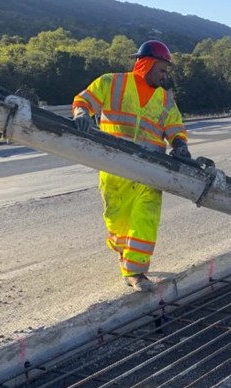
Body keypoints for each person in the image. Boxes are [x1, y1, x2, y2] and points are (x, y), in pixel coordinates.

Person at [71, 40, 191, 291]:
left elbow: (175, 126)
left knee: (145, 218)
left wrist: (179, 144)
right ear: (146, 63)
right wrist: (81, 114)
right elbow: (84, 100)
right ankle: (123, 254)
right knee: (117, 221)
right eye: (162, 68)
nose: (164, 74)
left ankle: (135, 272)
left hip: (150, 170)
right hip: (115, 166)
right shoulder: (111, 83)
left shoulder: (165, 98)